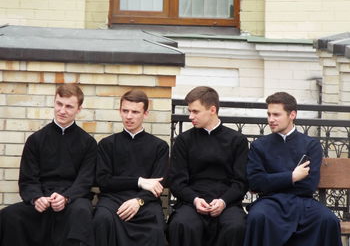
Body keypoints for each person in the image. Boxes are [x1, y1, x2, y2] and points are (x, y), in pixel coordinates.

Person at [0, 84, 97, 246]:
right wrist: (36, 198)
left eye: (69, 106)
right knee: (9, 215)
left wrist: (66, 197)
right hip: (42, 197)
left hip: (73, 200)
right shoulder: (36, 140)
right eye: (59, 104)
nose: (62, 110)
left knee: (82, 211)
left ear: (79, 109)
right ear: (54, 102)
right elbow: (27, 179)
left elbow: (85, 180)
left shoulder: (88, 143)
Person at [244, 92, 342, 246]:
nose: (271, 120)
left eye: (276, 114)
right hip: (270, 202)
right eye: (268, 114)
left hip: (303, 202)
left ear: (292, 115)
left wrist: (272, 181)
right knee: (258, 217)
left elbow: (308, 186)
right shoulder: (259, 145)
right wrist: (292, 176)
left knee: (328, 220)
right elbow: (256, 183)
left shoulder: (310, 145)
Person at [167, 86, 249, 246]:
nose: (190, 116)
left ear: (212, 110)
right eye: (189, 111)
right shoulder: (184, 140)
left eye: (195, 111)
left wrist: (223, 201)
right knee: (182, 224)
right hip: (191, 201)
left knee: (236, 226)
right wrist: (195, 200)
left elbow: (241, 182)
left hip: (227, 202)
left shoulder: (237, 140)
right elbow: (177, 182)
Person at [93, 89, 169, 246]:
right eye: (125, 110)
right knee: (101, 219)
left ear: (145, 114)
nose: (129, 116)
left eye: (135, 112)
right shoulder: (107, 144)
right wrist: (139, 181)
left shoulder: (159, 147)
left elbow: (158, 185)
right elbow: (103, 181)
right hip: (112, 200)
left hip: (146, 202)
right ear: (119, 111)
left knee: (155, 228)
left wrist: (138, 201)